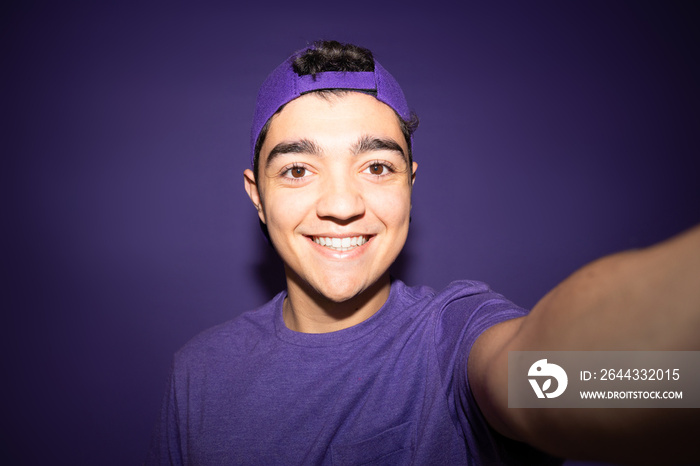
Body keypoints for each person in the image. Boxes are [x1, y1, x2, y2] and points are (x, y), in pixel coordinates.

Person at [147, 40, 700, 465]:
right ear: (258, 197)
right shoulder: (198, 372)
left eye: (377, 166)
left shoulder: (453, 336)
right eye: (297, 169)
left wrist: (673, 376)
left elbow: (551, 377)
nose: (342, 203)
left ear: (409, 184)